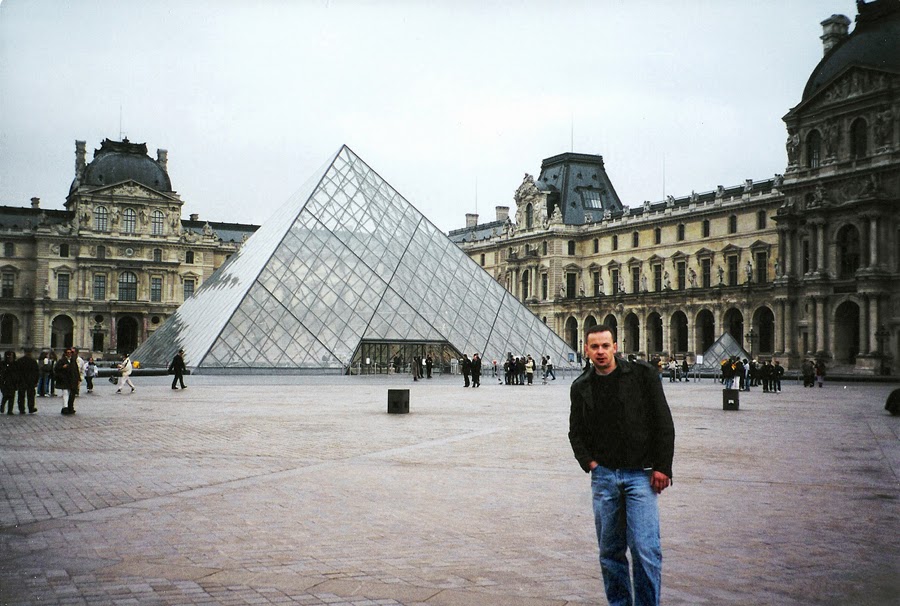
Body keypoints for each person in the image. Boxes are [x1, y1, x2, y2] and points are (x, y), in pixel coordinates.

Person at [569, 324, 675, 606]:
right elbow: (575, 432)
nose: (601, 351)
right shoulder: (581, 386)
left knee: (644, 548)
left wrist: (662, 466)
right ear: (587, 350)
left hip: (641, 475)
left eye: (606, 345)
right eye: (595, 347)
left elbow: (663, 421)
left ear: (615, 346)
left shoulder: (643, 376)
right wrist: (589, 462)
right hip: (603, 475)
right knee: (610, 551)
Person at [55, 349, 79, 415]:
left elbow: (76, 370)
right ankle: (65, 407)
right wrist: (62, 367)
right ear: (65, 353)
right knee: (65, 393)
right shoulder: (62, 361)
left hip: (72, 380)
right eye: (68, 352)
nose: (69, 354)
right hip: (64, 380)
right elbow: (56, 369)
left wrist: (78, 378)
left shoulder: (73, 361)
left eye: (70, 352)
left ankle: (70, 407)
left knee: (71, 394)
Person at [15, 348, 39, 414]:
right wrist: (36, 381)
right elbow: (37, 372)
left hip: (22, 381)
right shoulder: (33, 361)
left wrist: (17, 380)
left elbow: (16, 372)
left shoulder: (20, 361)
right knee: (31, 396)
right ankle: (31, 408)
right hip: (30, 381)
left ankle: (21, 409)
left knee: (21, 396)